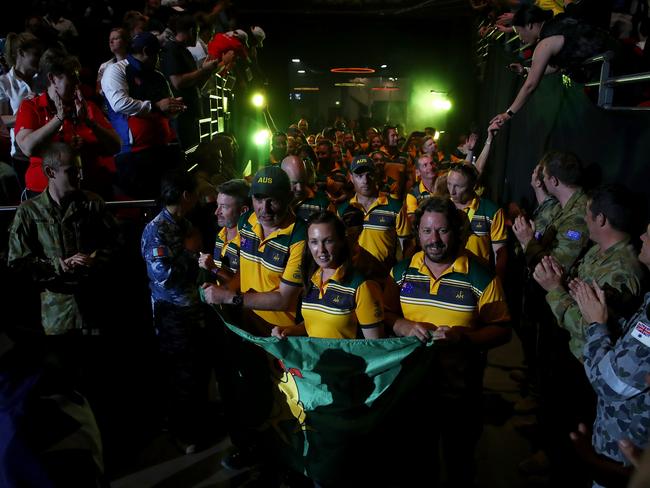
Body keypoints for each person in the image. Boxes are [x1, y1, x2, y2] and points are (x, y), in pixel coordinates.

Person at [384, 196, 510, 486]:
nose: (434, 239)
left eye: (442, 230)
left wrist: (463, 337)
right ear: (418, 233)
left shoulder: (481, 276)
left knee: (459, 463)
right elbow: (385, 314)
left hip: (460, 394)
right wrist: (402, 324)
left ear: (456, 230)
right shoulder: (401, 273)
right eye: (427, 231)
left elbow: (502, 330)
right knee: (417, 461)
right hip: (412, 390)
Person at [569, 221, 650, 487]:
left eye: (649, 233)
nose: (642, 235)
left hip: (627, 461)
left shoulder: (624, 268)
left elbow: (611, 382)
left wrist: (596, 323)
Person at [141, 169, 210, 454]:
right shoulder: (158, 230)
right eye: (196, 192)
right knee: (182, 375)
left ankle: (196, 423)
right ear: (185, 195)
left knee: (197, 372)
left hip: (194, 310)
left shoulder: (183, 223)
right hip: (174, 315)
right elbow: (165, 276)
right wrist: (191, 253)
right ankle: (183, 433)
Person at [15, 48, 121, 199]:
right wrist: (58, 118)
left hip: (88, 190)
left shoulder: (87, 107)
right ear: (52, 79)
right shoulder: (31, 107)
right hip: (43, 195)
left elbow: (115, 146)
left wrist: (89, 123)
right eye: (72, 77)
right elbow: (28, 147)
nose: (78, 83)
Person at [490, 5, 614, 126]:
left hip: (608, 73)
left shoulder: (544, 44)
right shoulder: (558, 21)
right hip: (613, 53)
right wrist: (526, 70)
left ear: (529, 25)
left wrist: (508, 114)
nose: (520, 38)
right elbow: (555, 66)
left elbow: (530, 86)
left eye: (519, 32)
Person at [271, 211, 384, 339]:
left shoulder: (362, 286)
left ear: (341, 241)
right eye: (314, 242)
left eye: (328, 241)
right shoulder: (312, 278)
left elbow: (374, 345)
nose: (321, 250)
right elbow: (316, 324)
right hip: (315, 359)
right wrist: (290, 330)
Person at [101, 32, 185, 199]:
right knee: (144, 203)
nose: (159, 58)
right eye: (157, 53)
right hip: (133, 154)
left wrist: (174, 108)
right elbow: (119, 103)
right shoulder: (116, 70)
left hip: (162, 148)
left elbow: (166, 110)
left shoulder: (158, 76)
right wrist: (156, 106)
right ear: (146, 51)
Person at [336, 155, 412, 275]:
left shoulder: (395, 207)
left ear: (376, 175)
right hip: (354, 278)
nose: (365, 180)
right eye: (359, 176)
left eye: (369, 174)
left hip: (385, 278)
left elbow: (407, 246)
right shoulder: (343, 210)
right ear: (351, 177)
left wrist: (400, 274)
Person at [447, 163, 508, 277]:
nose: (452, 191)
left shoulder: (491, 211)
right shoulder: (442, 208)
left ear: (473, 186)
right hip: (448, 277)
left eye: (458, 186)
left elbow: (500, 253)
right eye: (449, 184)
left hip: (478, 278)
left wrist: (497, 281)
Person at [0, 32, 43, 188]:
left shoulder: (43, 79)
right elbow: (2, 120)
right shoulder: (4, 82)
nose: (40, 58)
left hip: (47, 150)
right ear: (21, 53)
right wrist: (25, 113)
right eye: (36, 54)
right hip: (21, 153)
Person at [199, 178, 250, 283]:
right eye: (218, 205)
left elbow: (245, 286)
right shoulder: (221, 234)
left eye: (224, 207)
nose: (217, 212)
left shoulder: (250, 243)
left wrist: (214, 268)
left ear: (243, 211)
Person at [280, 154, 332, 222]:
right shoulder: (274, 203)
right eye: (294, 183)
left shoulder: (322, 203)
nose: (299, 188)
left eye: (302, 182)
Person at [96, 27, 128, 97]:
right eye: (110, 40)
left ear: (125, 41)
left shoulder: (134, 63)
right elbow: (98, 89)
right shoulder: (104, 66)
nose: (111, 42)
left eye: (115, 39)